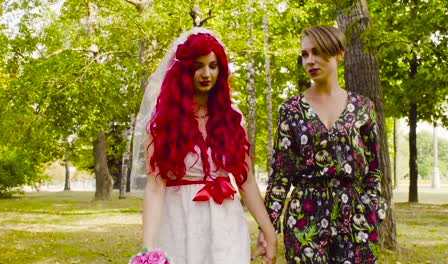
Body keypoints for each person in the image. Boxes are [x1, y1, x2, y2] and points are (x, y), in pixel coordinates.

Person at [135, 28, 277, 264]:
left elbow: (246, 180)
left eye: (213, 66)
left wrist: (268, 231)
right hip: (178, 221)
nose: (206, 73)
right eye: (198, 66)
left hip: (226, 224)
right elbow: (154, 187)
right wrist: (148, 249)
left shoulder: (233, 118)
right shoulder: (161, 123)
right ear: (184, 69)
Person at [260, 25, 387, 264]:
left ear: (338, 53)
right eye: (305, 54)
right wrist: (268, 226)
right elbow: (281, 174)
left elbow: (374, 167)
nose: (310, 61)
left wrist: (374, 210)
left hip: (356, 216)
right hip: (304, 216)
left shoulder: (363, 107)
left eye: (317, 52)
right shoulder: (291, 110)